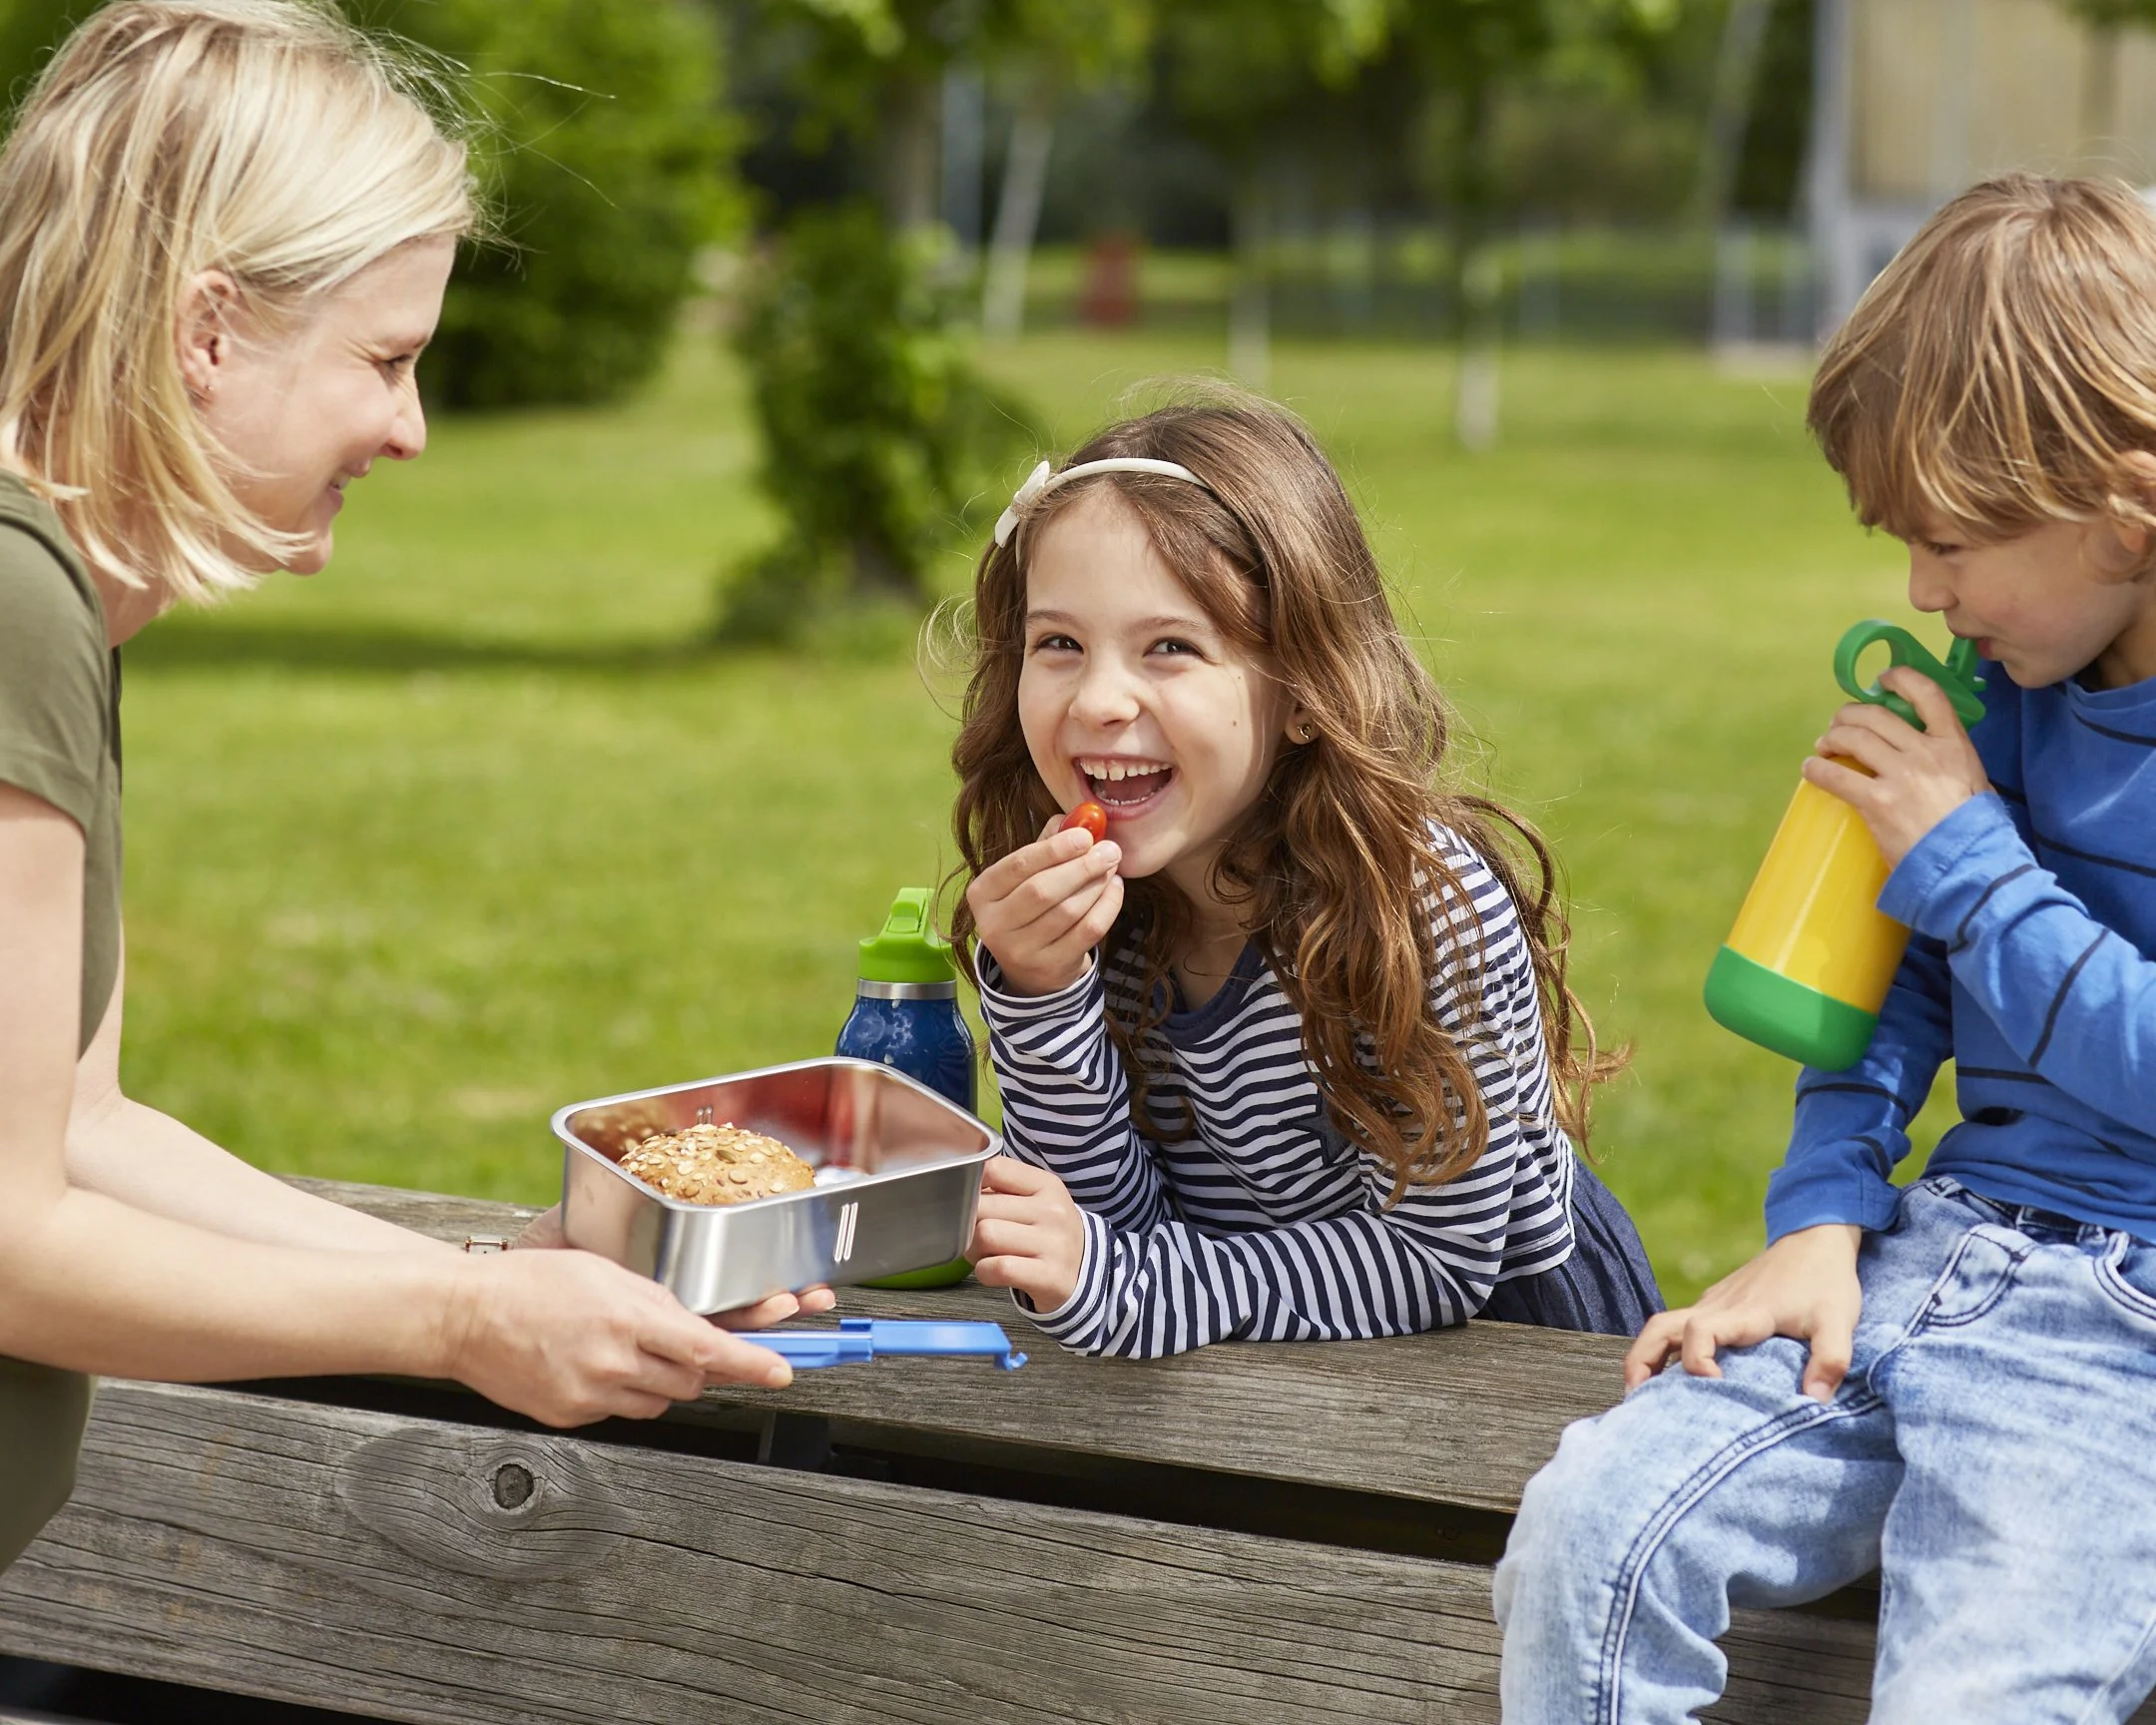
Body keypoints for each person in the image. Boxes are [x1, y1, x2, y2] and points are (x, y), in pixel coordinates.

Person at [0, 0, 821, 1577]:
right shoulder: (16, 601)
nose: (413, 428)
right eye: (386, 359)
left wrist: (492, 1272)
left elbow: (83, 1132)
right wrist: (457, 1322)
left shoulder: (57, 599)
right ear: (209, 331)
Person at [1494, 173, 2156, 1724]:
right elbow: (1899, 979)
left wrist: (1973, 867)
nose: (1925, 593)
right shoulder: (2003, 696)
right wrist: (1822, 1212)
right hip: (1932, 1263)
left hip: (2124, 1347)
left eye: (1957, 544)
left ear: (2129, 499)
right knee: (1593, 1533)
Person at [947, 395, 1663, 1359]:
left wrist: (1124, 1287)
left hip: (1498, 1376)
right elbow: (1107, 1227)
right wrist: (1043, 998)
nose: (1100, 700)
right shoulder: (1095, 908)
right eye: (1059, 644)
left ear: (1301, 692)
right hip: (1234, 1375)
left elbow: (1435, 1262)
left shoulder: (1418, 910)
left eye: (1171, 647)